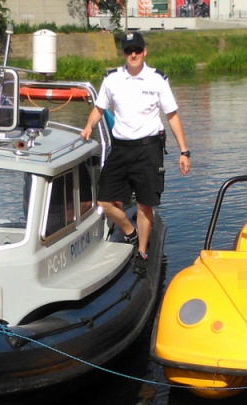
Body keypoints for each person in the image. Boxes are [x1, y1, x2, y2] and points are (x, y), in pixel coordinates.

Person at [80, 31, 191, 274]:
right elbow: (99, 108)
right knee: (105, 201)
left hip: (148, 150)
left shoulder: (157, 79)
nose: (133, 55)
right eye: (128, 51)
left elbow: (171, 116)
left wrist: (184, 151)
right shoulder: (112, 79)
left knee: (144, 205)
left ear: (144, 52)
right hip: (120, 149)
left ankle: (142, 252)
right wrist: (89, 125)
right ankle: (130, 234)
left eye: (137, 50)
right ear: (123, 53)